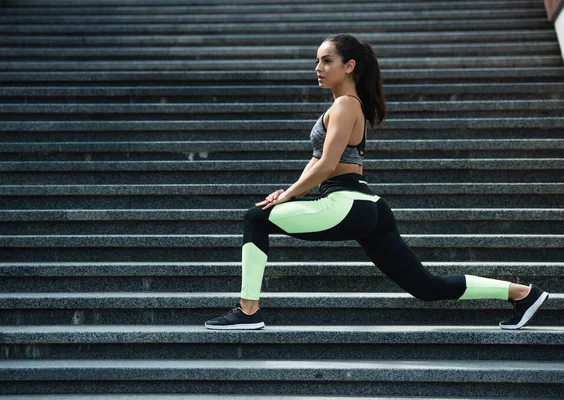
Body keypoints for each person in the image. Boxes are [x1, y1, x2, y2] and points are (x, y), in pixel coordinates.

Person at [204, 34, 549, 331]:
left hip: (346, 203)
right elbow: (318, 160)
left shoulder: (345, 105)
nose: (318, 68)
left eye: (327, 60)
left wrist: (290, 195)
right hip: (370, 208)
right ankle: (523, 293)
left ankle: (248, 310)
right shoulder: (346, 106)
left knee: (255, 218)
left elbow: (326, 165)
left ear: (349, 66)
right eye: (317, 61)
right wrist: (290, 191)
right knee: (425, 286)